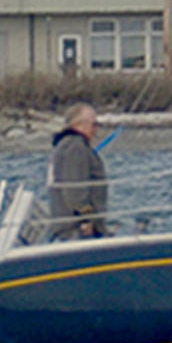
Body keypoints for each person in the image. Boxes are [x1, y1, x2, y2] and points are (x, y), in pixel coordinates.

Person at [47, 103, 108, 240]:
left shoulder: (68, 145)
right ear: (79, 124)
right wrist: (86, 219)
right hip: (77, 231)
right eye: (94, 124)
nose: (97, 129)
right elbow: (74, 190)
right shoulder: (75, 147)